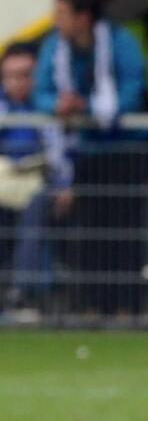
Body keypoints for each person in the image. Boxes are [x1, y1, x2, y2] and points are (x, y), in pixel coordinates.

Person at [32, 0, 148, 316]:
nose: (56, 22)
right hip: (82, 152)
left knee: (124, 229)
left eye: (62, 14)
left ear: (83, 17)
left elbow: (132, 89)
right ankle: (91, 304)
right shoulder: (55, 48)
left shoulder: (120, 42)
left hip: (123, 150)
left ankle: (127, 305)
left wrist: (93, 107)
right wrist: (60, 104)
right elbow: (42, 92)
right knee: (88, 229)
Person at [0, 42, 69, 318]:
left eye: (25, 74)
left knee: (36, 210)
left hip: (38, 186)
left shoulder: (48, 107)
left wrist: (64, 186)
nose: (17, 82)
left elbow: (61, 154)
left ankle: (21, 294)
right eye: (10, 75)